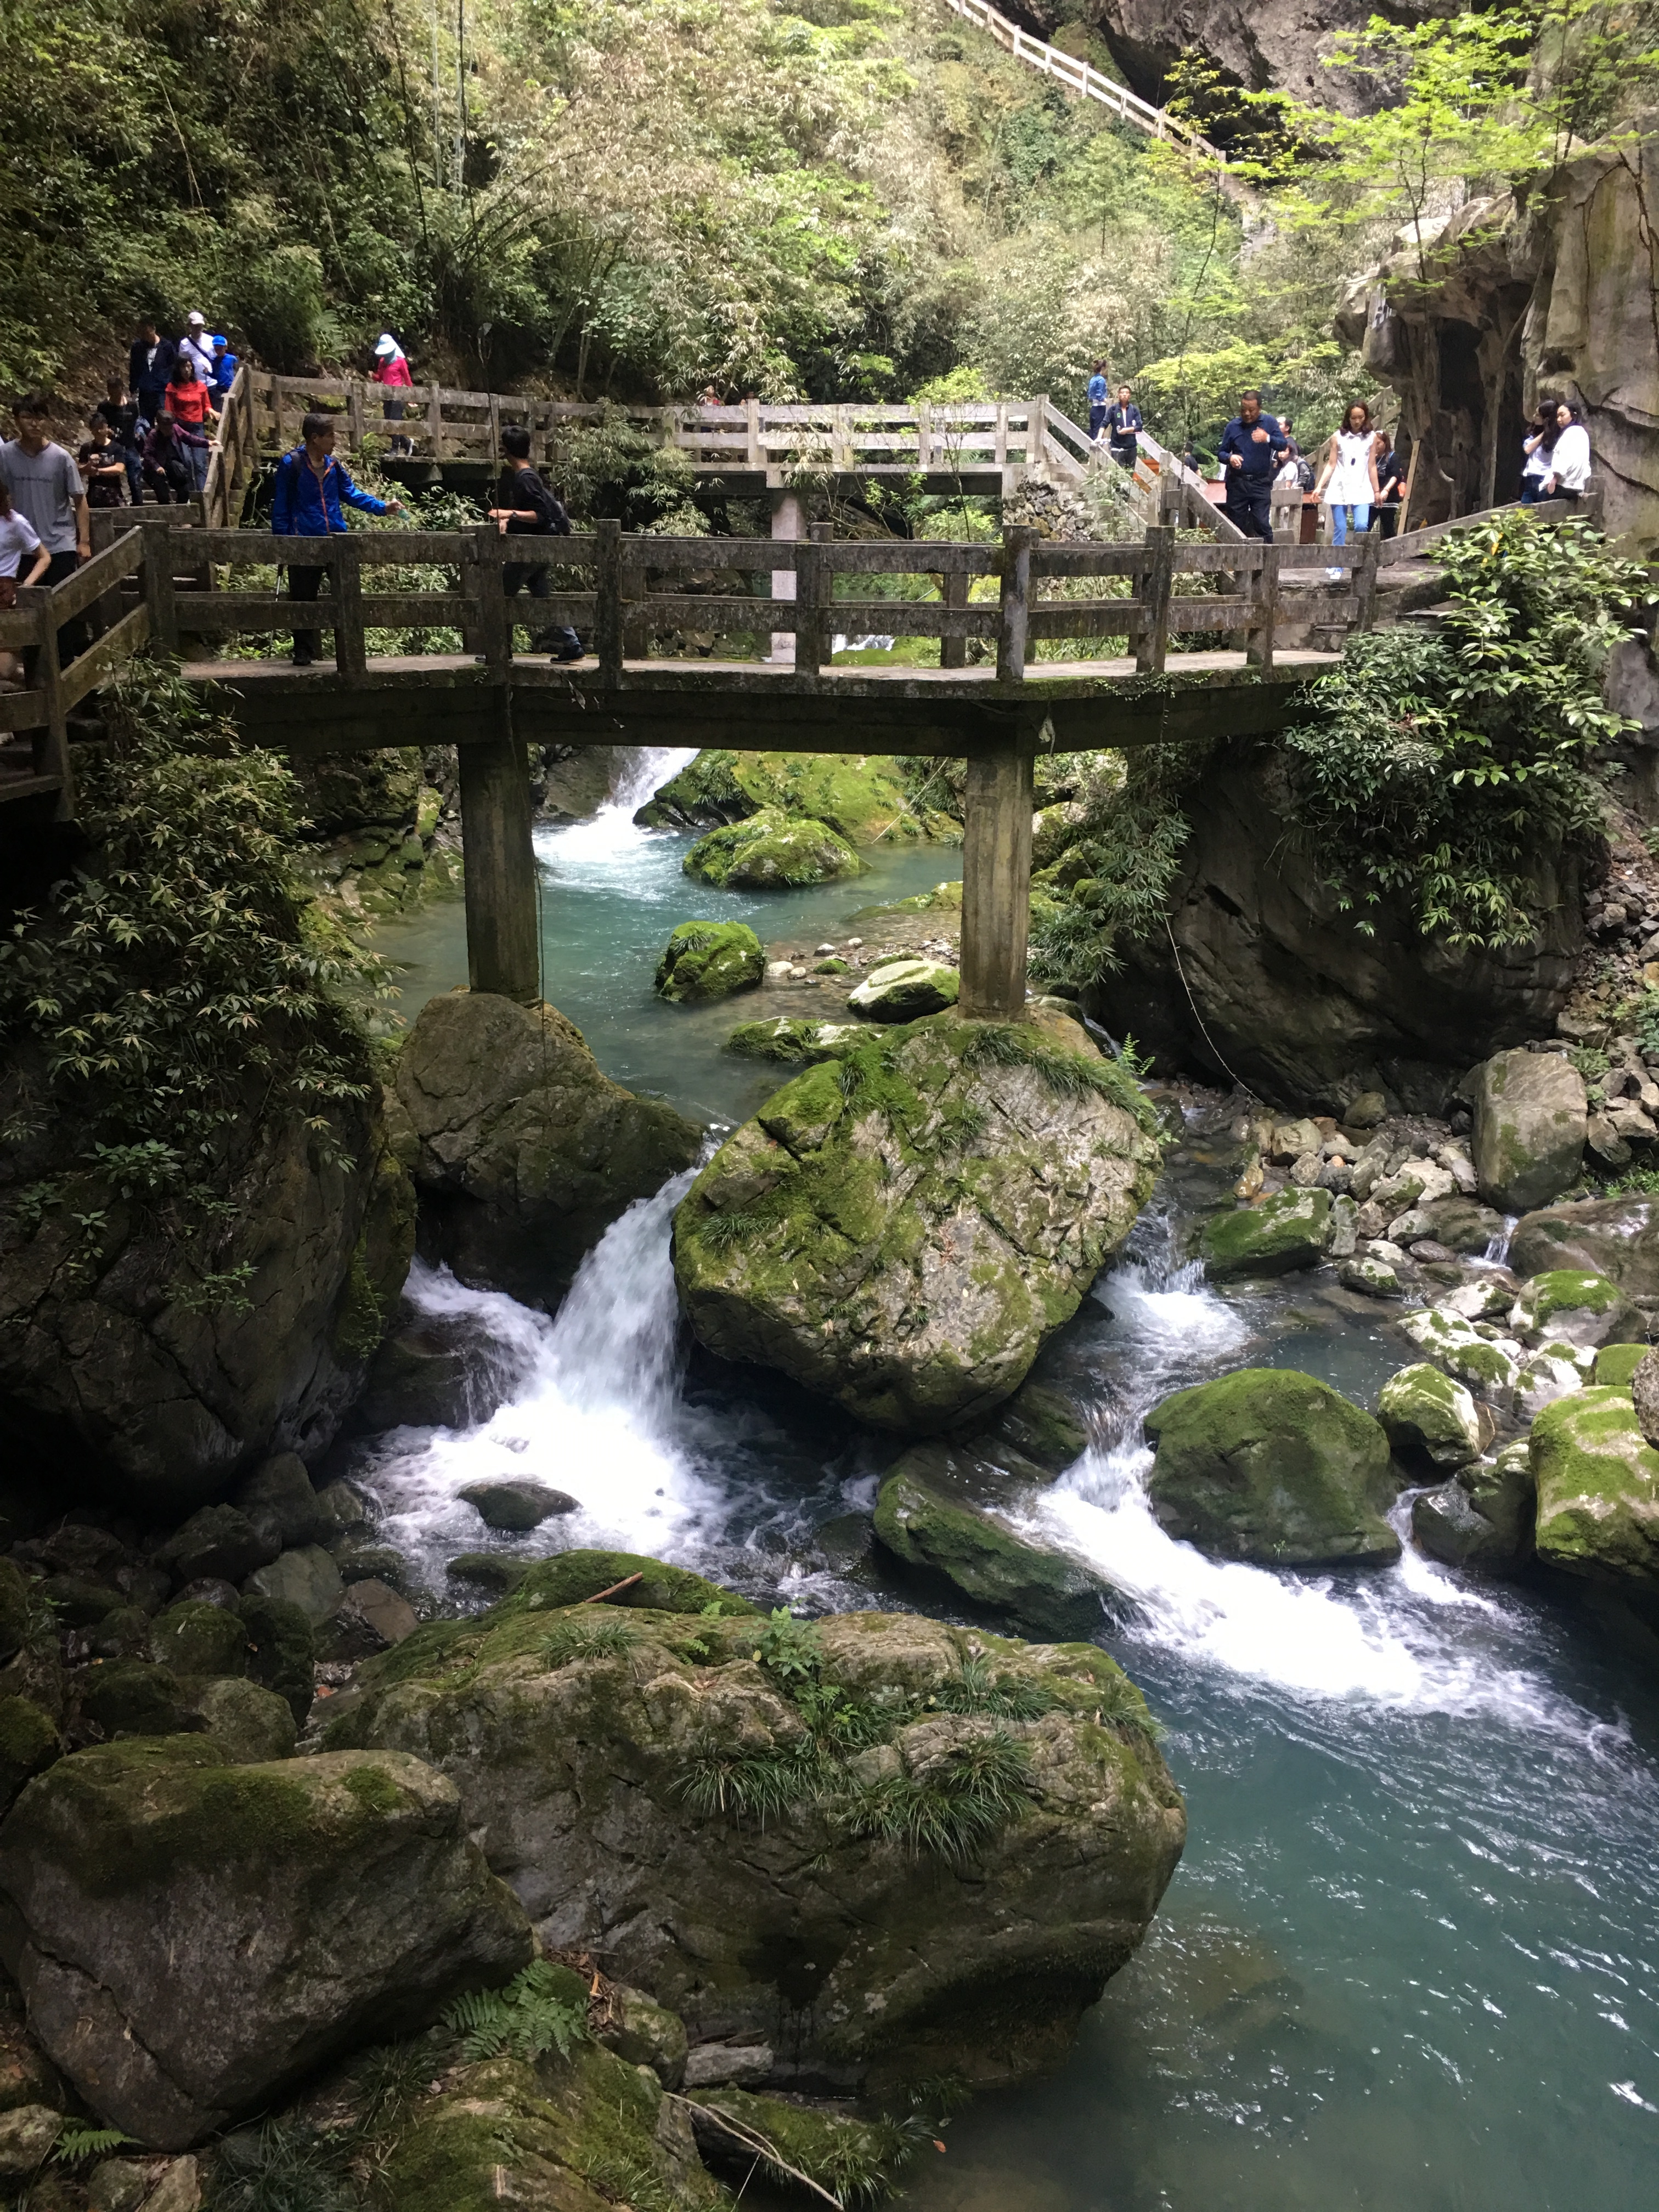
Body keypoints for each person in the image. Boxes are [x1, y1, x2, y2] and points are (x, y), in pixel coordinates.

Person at [270, 411, 405, 666]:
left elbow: (351, 494)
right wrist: (284, 543)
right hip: (304, 540)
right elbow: (281, 506)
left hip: (336, 539)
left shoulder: (333, 466)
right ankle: (303, 652)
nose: (335, 441)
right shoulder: (292, 464)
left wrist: (382, 507)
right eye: (331, 435)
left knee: (346, 596)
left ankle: (351, 650)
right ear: (315, 438)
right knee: (303, 598)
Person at [486, 425, 583, 661]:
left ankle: (501, 652)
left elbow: (540, 515)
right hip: (539, 549)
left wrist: (509, 514)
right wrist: (508, 522)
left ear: (505, 451)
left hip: (531, 550)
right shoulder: (528, 476)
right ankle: (572, 645)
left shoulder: (525, 479)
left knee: (501, 593)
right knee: (543, 598)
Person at [0, 479, 51, 695]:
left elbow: (44, 557)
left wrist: (26, 586)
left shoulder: (16, 522)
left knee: (4, 662)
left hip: (3, 588)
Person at [1217, 390, 1289, 541]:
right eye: (1244, 410)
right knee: (1236, 525)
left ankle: (1268, 562)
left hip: (1260, 483)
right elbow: (1221, 453)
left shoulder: (1268, 423)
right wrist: (1230, 458)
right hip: (1237, 483)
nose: (1247, 414)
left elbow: (1283, 445)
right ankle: (1237, 562)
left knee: (1262, 523)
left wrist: (1268, 438)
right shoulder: (1233, 427)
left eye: (1252, 410)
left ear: (1259, 409)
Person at [1313, 400, 1380, 552]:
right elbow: (1331, 464)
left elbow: (1372, 465)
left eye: (1361, 418)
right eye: (1354, 418)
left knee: (1362, 525)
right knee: (1341, 528)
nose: (1357, 421)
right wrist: (1319, 486)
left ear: (1366, 417)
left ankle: (1361, 562)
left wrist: (1377, 491)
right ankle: (1336, 566)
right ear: (1348, 418)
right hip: (1340, 486)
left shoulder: (1371, 437)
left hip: (1361, 485)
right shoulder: (1338, 437)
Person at [163, 355, 216, 492]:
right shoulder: (172, 387)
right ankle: (191, 493)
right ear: (178, 369)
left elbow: (206, 405)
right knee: (187, 461)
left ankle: (203, 494)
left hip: (197, 426)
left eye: (189, 367)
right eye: (183, 367)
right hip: (180, 428)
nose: (187, 370)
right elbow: (168, 410)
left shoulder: (200, 386)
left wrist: (212, 411)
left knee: (199, 462)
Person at [95, 375, 145, 504]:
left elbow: (137, 422)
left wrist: (138, 433)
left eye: (115, 390)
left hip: (130, 446)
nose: (113, 394)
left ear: (122, 389)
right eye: (110, 391)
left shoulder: (132, 406)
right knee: (112, 481)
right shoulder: (104, 407)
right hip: (112, 447)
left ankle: (139, 506)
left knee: (135, 479)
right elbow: (99, 423)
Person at [129, 318, 177, 430]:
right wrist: (133, 387)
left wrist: (173, 386)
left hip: (162, 391)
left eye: (146, 333)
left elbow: (173, 367)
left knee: (164, 419)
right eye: (141, 334)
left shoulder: (167, 347)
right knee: (145, 422)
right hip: (145, 391)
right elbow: (134, 367)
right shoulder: (138, 347)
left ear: (153, 329)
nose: (144, 337)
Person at [371, 333, 415, 456]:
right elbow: (380, 377)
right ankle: (407, 443)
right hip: (387, 395)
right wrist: (373, 376)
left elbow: (407, 379)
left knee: (395, 422)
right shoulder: (382, 362)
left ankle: (395, 450)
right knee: (388, 424)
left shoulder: (400, 362)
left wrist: (411, 396)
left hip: (398, 396)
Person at [1543, 401, 1592, 505]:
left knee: (1537, 499)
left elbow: (1566, 460)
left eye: (1562, 415)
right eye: (1557, 416)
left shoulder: (1571, 433)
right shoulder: (1582, 433)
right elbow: (1587, 466)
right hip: (1576, 488)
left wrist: (1555, 479)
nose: (1559, 420)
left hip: (1564, 486)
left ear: (1573, 415)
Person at [140, 414, 193, 504]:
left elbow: (190, 439)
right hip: (154, 470)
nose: (169, 430)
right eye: (166, 428)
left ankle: (180, 510)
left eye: (170, 427)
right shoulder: (153, 435)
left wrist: (208, 443)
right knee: (163, 496)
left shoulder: (176, 429)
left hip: (171, 465)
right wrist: (157, 466)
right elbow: (147, 453)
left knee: (184, 489)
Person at [78, 418, 128, 510]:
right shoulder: (87, 448)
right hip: (94, 492)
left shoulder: (116, 448)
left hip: (114, 492)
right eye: (95, 428)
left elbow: (119, 468)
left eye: (101, 428)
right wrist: (90, 464)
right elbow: (81, 469)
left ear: (107, 428)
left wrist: (99, 471)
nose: (98, 431)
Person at [1372, 430, 1404, 538]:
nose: (1376, 446)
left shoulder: (1392, 457)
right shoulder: (1371, 458)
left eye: (1379, 443)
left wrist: (1386, 490)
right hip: (1373, 499)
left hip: (1389, 499)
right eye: (1374, 443)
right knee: (1366, 526)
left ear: (1386, 443)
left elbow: (1396, 475)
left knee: (1388, 528)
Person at [1104, 384, 1142, 471]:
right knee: (1119, 476)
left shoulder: (1134, 410)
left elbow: (1139, 427)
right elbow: (1104, 423)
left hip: (1131, 448)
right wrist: (1099, 437)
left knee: (1129, 476)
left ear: (1130, 395)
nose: (1124, 395)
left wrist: (1128, 430)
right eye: (1122, 393)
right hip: (1117, 448)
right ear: (1118, 395)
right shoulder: (1113, 409)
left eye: (1127, 393)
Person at [179, 312, 216, 383]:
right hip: (196, 383)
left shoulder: (211, 340)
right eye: (196, 326)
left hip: (213, 382)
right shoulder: (184, 344)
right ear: (190, 326)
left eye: (200, 326)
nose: (198, 328)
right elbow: (183, 365)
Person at [211, 335, 239, 406]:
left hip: (231, 386)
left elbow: (238, 370)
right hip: (220, 387)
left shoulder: (232, 359)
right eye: (216, 349)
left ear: (225, 347)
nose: (219, 351)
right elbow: (215, 374)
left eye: (220, 349)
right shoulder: (214, 361)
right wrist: (207, 373)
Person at [1086, 362, 1110, 443]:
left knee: (1093, 431)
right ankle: (1098, 452)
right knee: (1099, 430)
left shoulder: (1093, 379)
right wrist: (1107, 401)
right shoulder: (1101, 380)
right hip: (1100, 408)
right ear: (1102, 369)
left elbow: (1090, 394)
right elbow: (1099, 394)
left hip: (1094, 407)